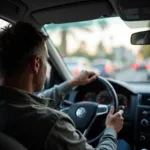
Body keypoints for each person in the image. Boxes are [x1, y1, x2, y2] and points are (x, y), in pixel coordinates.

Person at [0, 22, 129, 150]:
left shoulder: (10, 105)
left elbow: (30, 101)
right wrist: (111, 130)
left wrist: (73, 83)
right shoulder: (51, 124)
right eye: (46, 60)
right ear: (36, 64)